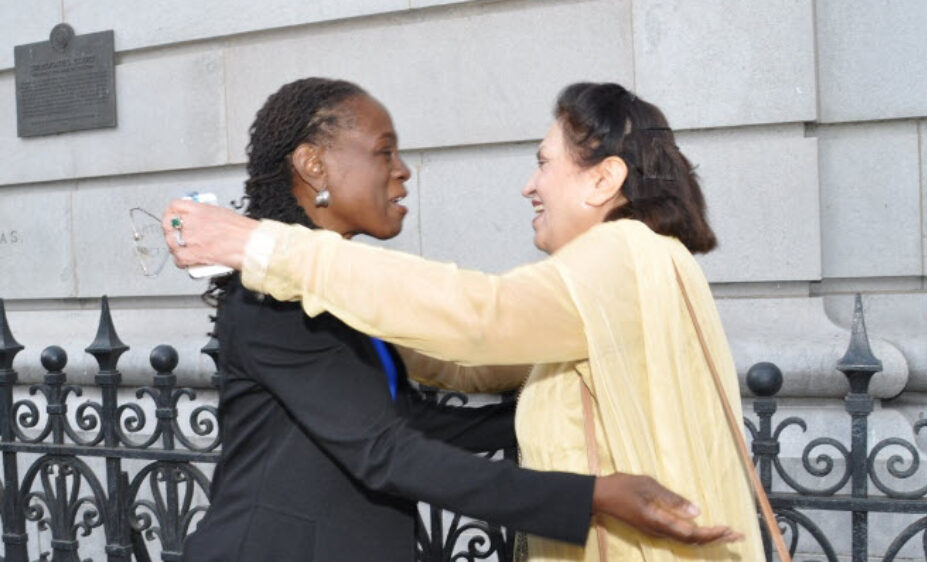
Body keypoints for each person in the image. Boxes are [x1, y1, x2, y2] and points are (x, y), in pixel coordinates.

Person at [173, 78, 741, 562]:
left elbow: (464, 344)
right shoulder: (278, 298)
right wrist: (588, 494)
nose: (404, 171)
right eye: (384, 151)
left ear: (604, 179)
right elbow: (389, 445)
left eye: (543, 163)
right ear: (314, 163)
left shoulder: (324, 282)